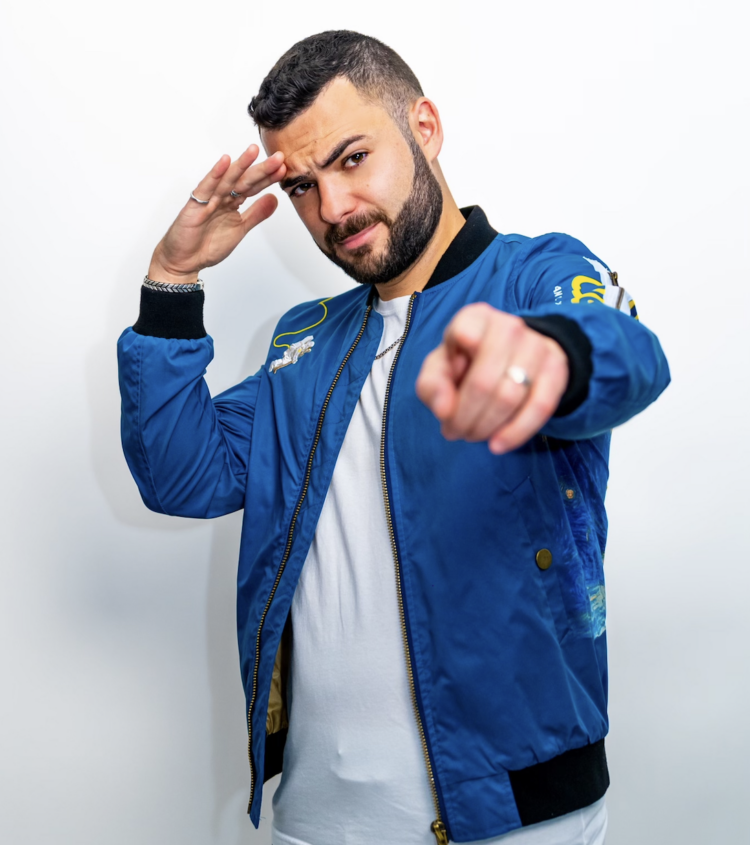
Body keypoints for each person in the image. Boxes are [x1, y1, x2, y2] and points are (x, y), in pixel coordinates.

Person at [117, 30, 670, 845]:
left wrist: (544, 357)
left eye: (352, 159)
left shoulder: (535, 278)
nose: (333, 208)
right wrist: (172, 279)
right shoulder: (303, 344)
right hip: (314, 820)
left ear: (425, 127)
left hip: (515, 821)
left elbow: (630, 355)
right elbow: (181, 475)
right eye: (302, 185)